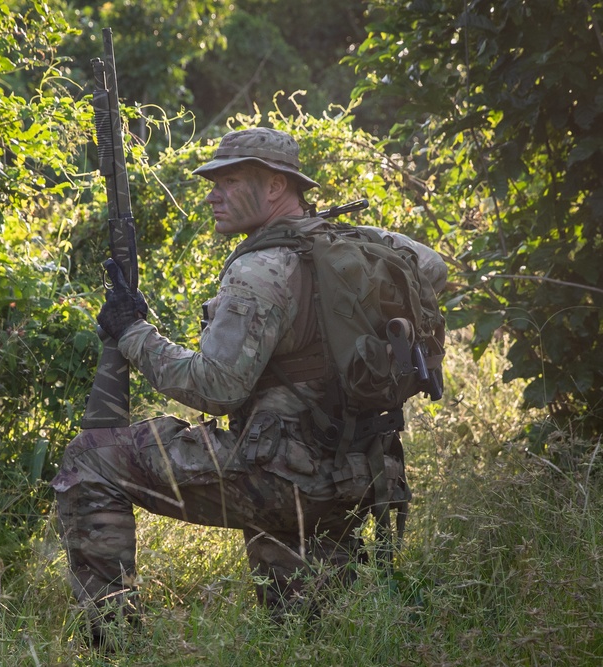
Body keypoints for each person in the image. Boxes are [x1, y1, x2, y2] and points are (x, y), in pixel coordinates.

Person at [51, 127, 448, 645]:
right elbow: (434, 266)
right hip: (358, 475)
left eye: (230, 181)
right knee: (302, 637)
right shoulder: (356, 248)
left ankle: (112, 644)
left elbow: (216, 388)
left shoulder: (261, 269)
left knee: (89, 458)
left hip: (279, 479)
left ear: (277, 185)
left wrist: (132, 333)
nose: (213, 195)